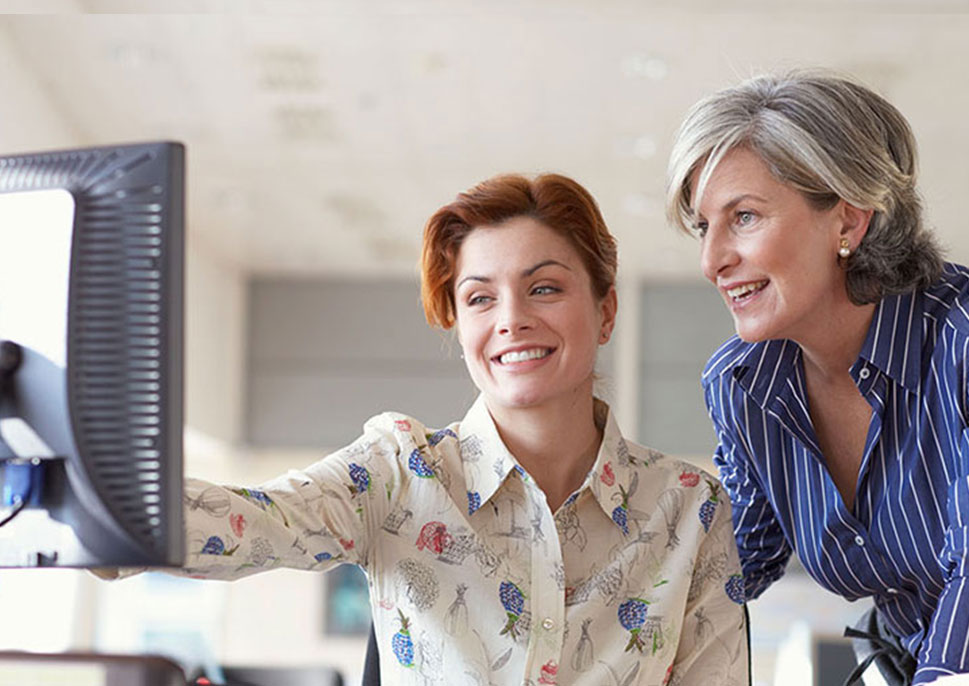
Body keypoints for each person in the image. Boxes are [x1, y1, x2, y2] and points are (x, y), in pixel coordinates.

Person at [168, 173, 748, 685]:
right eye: (479, 298)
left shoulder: (688, 511)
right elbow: (247, 523)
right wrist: (91, 490)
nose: (512, 318)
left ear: (605, 312)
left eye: (543, 288)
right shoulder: (398, 474)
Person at [665, 70, 969, 686]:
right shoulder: (744, 386)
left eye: (744, 217)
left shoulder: (960, 342)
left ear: (849, 222)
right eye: (704, 226)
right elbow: (732, 564)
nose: (711, 259)